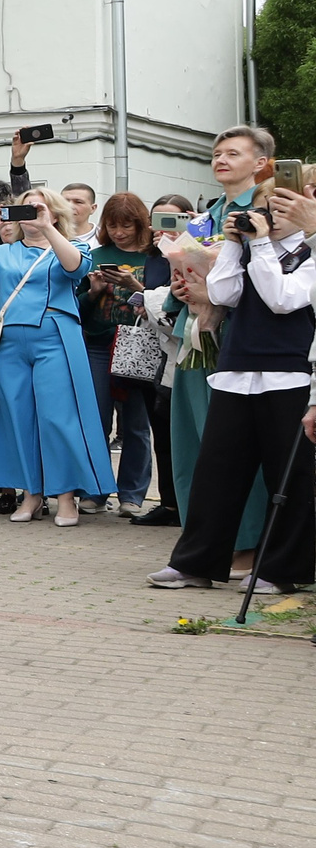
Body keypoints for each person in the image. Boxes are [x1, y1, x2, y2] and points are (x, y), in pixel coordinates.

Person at [149, 189, 315, 593]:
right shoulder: (250, 248)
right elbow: (223, 294)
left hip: (290, 374)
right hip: (237, 369)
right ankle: (196, 562)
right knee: (217, 470)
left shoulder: (309, 253)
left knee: (290, 477)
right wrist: (233, 247)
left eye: (281, 211)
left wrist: (258, 245)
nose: (270, 218)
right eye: (267, 210)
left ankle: (282, 570)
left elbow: (282, 299)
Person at [0, 185, 113, 524]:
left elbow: (75, 269)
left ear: (56, 213)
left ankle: (66, 498)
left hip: (55, 337)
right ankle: (31, 495)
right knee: (19, 417)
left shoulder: (71, 245)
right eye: (26, 208)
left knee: (58, 418)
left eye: (39, 208)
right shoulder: (4, 252)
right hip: (10, 341)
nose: (31, 214)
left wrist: (48, 228)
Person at [169, 129, 276, 565]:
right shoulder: (204, 215)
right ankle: (202, 540)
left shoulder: (268, 208)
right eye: (216, 154)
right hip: (194, 328)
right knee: (192, 438)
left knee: (233, 442)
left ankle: (247, 542)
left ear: (261, 162)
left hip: (239, 334)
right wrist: (181, 285)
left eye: (234, 153)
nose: (221, 160)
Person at [83, 191, 160, 515]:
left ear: (140, 223)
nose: (119, 232)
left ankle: (133, 495)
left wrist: (135, 286)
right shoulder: (94, 254)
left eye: (126, 225)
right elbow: (79, 309)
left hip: (140, 346)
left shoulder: (155, 257)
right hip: (99, 344)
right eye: (113, 225)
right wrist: (94, 291)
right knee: (96, 421)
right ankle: (96, 491)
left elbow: (162, 301)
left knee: (136, 426)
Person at [131, 193, 196, 527]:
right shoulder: (153, 257)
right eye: (156, 219)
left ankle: (190, 506)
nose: (161, 228)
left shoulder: (197, 253)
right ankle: (170, 503)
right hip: (155, 354)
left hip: (187, 350)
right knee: (163, 430)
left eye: (170, 220)